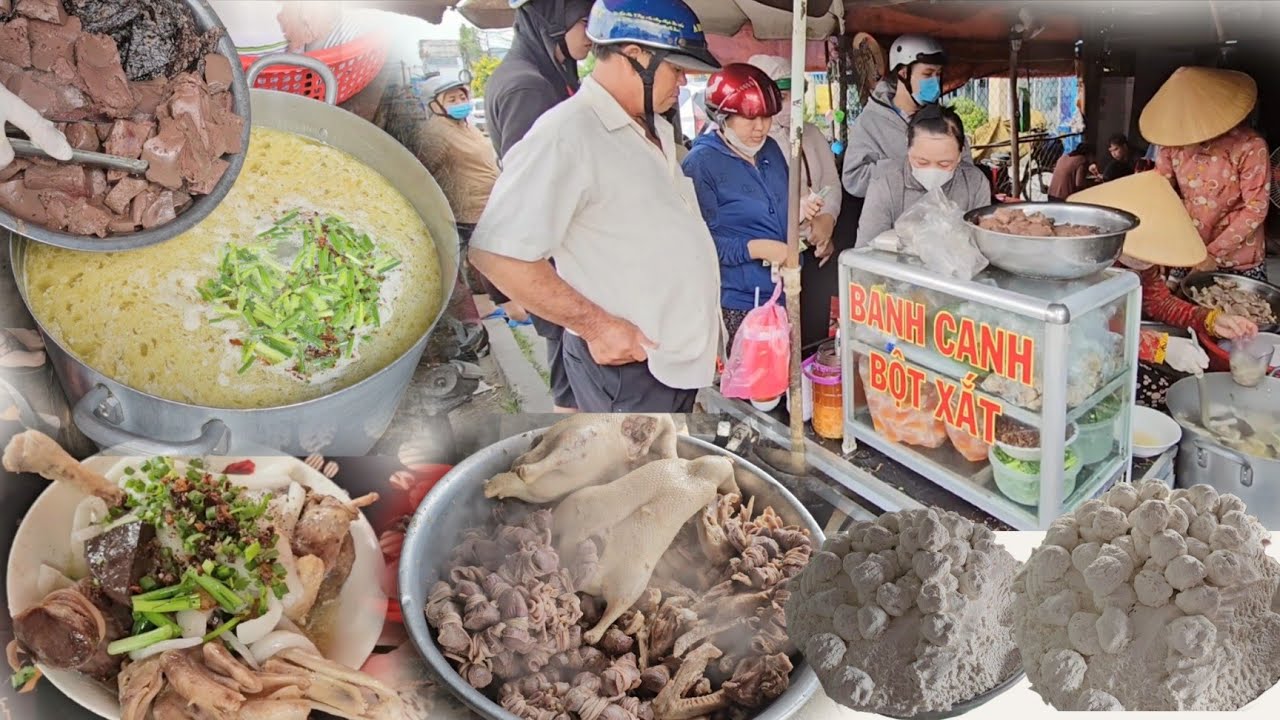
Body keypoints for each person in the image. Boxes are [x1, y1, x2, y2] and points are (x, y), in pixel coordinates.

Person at [468, 0, 724, 414]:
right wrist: (597, 327)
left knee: (668, 471)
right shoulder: (568, 133)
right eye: (676, 68)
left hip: (669, 361)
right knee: (634, 478)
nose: (683, 81)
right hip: (627, 370)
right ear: (635, 56)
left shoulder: (652, 125)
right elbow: (497, 254)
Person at [1070, 171, 1258, 410]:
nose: (1149, 263)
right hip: (1076, 361)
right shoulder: (1081, 265)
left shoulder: (1143, 265)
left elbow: (1158, 302)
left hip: (1117, 345)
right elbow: (1085, 331)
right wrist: (1159, 347)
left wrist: (1212, 319)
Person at [682, 64, 822, 349]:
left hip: (787, 289)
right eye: (749, 118)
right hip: (742, 301)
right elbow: (700, 243)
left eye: (766, 117)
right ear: (722, 116)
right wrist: (759, 249)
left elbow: (776, 205)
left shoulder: (769, 148)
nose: (760, 128)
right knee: (756, 387)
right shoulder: (700, 164)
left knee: (786, 379)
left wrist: (798, 211)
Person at [747, 54, 844, 347]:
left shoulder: (811, 133)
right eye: (784, 97)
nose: (792, 106)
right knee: (774, 343)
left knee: (810, 338)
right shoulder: (754, 140)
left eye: (796, 96)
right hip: (771, 261)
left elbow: (830, 183)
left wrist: (826, 225)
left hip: (814, 252)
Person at [1140, 66, 1270, 280]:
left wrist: (1213, 253)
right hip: (1187, 247)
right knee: (1178, 310)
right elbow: (1160, 194)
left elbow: (1255, 208)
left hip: (1237, 257)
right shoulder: (1171, 143)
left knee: (1239, 311)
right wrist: (1158, 246)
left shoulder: (1250, 146)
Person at [842, 34, 972, 199]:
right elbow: (854, 179)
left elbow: (968, 170)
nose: (935, 81)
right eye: (927, 74)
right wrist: (910, 167)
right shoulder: (870, 122)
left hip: (942, 216)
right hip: (893, 219)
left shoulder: (945, 120)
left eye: (938, 74)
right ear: (903, 73)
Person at [856, 105, 991, 247]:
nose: (932, 171)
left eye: (944, 164)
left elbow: (983, 245)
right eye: (922, 162)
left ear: (961, 153)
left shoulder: (975, 183)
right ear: (908, 148)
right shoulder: (885, 185)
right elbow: (863, 253)